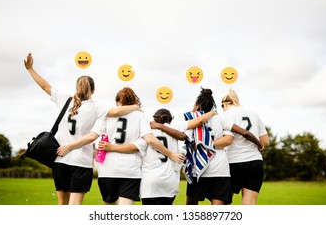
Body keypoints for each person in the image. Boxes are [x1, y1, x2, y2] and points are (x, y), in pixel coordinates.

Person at [24, 53, 140, 205]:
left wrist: (30, 69)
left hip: (60, 159)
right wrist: (136, 106)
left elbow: (45, 86)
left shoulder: (64, 99)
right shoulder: (95, 107)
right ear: (93, 90)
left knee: (62, 205)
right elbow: (117, 112)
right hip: (81, 162)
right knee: (75, 206)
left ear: (76, 88)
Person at [58, 87, 185, 205]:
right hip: (130, 172)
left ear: (118, 102)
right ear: (134, 101)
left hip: (107, 171)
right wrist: (171, 154)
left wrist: (69, 146)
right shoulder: (140, 115)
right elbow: (150, 140)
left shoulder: (107, 115)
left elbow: (92, 136)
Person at [154, 87, 264, 205]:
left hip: (198, 170)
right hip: (220, 170)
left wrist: (201, 145)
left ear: (198, 106)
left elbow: (184, 137)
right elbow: (231, 138)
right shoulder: (222, 118)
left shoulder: (193, 121)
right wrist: (259, 144)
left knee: (191, 206)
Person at [101, 108, 217, 205]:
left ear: (154, 118)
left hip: (150, 182)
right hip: (169, 182)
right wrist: (212, 112)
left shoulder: (147, 130)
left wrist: (112, 147)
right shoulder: (175, 127)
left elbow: (133, 147)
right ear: (170, 119)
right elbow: (200, 120)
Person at [221, 89, 270, 205]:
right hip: (255, 162)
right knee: (250, 204)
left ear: (224, 104)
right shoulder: (254, 113)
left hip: (233, 161)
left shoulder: (225, 115)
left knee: (223, 203)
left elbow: (226, 140)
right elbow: (265, 141)